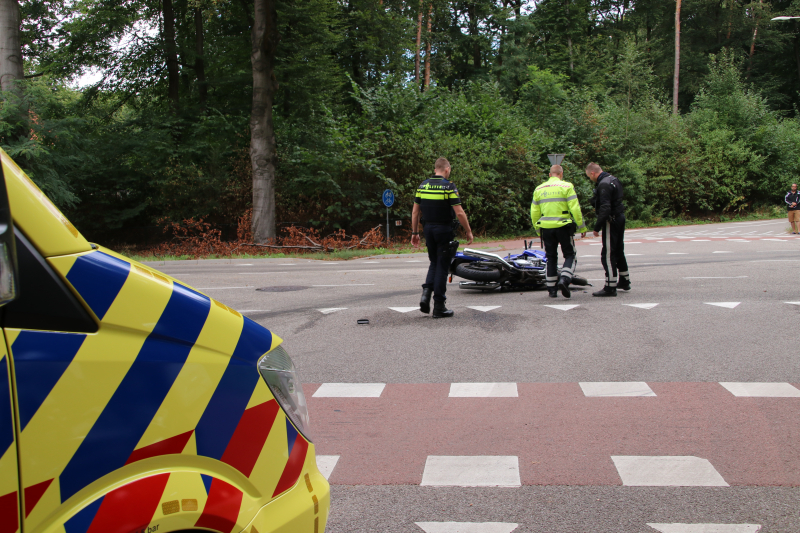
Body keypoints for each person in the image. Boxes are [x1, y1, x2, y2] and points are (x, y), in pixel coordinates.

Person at [411, 158, 474, 318]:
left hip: (428, 230)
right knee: (443, 266)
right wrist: (468, 231)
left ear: (435, 169)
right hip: (444, 230)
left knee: (434, 262)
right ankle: (439, 306)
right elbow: (459, 212)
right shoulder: (449, 186)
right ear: (447, 169)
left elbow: (415, 212)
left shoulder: (422, 186)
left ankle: (425, 296)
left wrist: (415, 233)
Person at [530, 165, 587, 298]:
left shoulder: (539, 189)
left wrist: (538, 230)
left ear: (550, 175)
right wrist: (582, 226)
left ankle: (551, 289)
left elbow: (534, 212)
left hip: (546, 228)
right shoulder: (567, 186)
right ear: (561, 174)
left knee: (551, 257)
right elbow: (575, 208)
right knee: (570, 254)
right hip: (563, 226)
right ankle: (565, 279)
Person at [585, 162, 629, 297]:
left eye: (589, 176)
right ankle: (624, 280)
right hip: (620, 217)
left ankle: (610, 286)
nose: (590, 178)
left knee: (608, 254)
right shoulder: (613, 179)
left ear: (592, 173)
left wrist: (597, 226)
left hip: (611, 220)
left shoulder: (603, 184)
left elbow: (605, 207)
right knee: (618, 250)